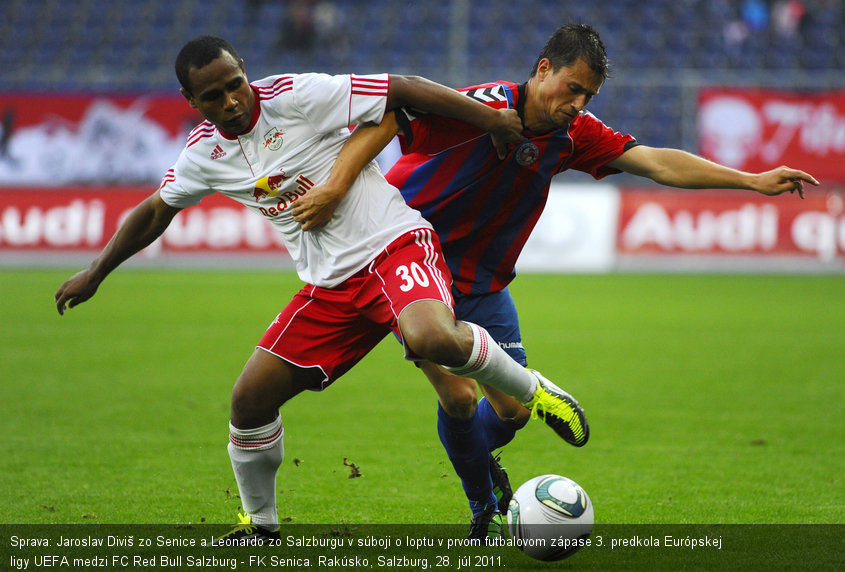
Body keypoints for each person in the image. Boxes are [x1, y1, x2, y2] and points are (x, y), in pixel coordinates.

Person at [289, 24, 820, 542]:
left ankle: (483, 464)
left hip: (486, 284)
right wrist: (336, 189)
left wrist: (750, 180)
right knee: (457, 396)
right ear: (544, 69)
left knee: (513, 411)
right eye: (573, 88)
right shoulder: (480, 107)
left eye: (589, 94)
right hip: (415, 270)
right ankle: (485, 510)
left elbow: (656, 163)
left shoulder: (574, 135)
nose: (580, 103)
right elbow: (388, 118)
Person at [53, 35, 588, 544]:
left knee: (432, 337)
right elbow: (154, 211)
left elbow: (400, 90)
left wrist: (492, 119)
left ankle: (536, 391)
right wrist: (97, 272)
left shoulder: (296, 96)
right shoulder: (203, 154)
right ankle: (261, 527)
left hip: (392, 244)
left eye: (236, 83)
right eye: (213, 96)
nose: (233, 101)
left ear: (246, 72)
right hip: (330, 285)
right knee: (249, 401)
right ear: (191, 100)